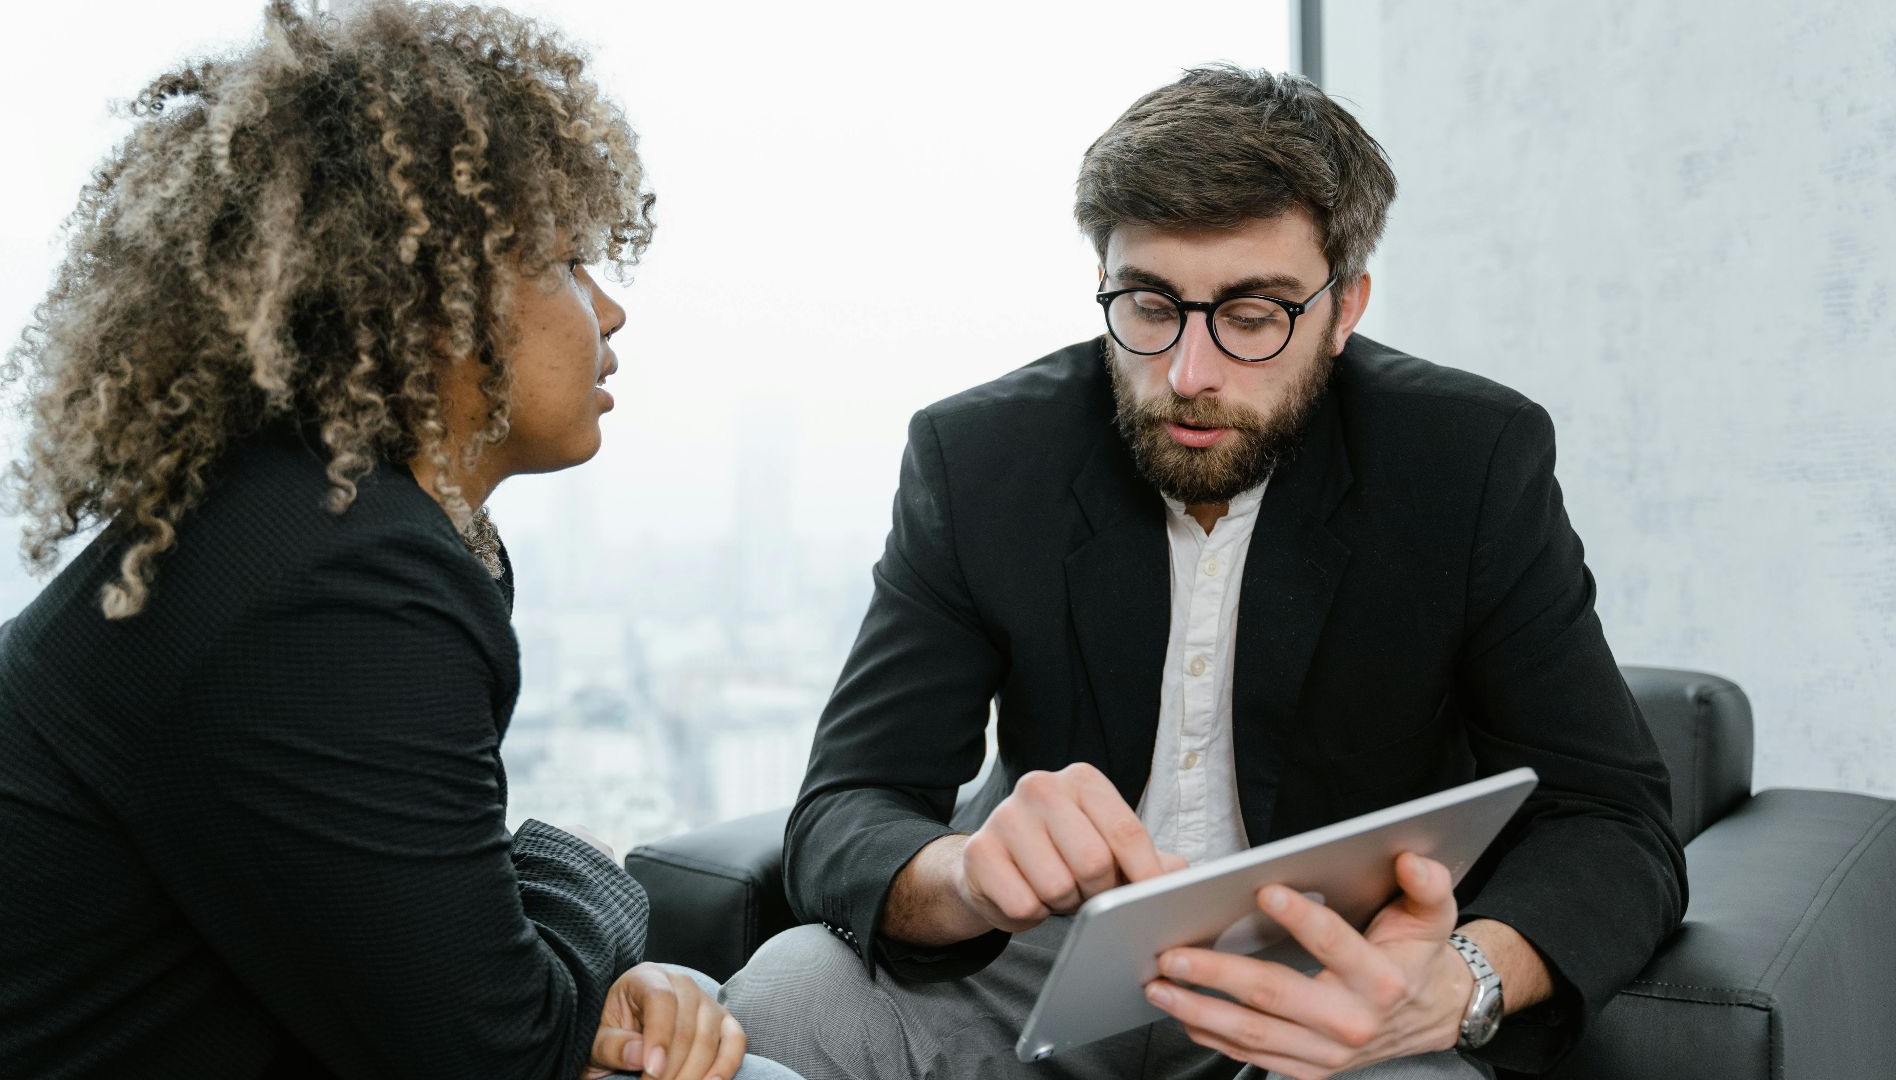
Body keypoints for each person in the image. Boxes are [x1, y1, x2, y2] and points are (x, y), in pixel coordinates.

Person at [721, 67, 1685, 1080]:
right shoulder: (982, 457)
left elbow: (1613, 822)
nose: (1189, 373)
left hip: (1329, 970)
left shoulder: (1471, 461)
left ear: (1344, 308)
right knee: (786, 1003)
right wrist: (964, 873)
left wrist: (1452, 984)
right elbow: (848, 804)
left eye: (1255, 315)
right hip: (1036, 959)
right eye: (1147, 304)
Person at [0, 4, 799, 1079]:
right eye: (566, 262)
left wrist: (568, 962)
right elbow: (499, 1052)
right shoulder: (332, 578)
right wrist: (593, 876)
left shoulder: (307, 522)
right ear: (430, 300)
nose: (609, 310)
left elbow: (425, 926)